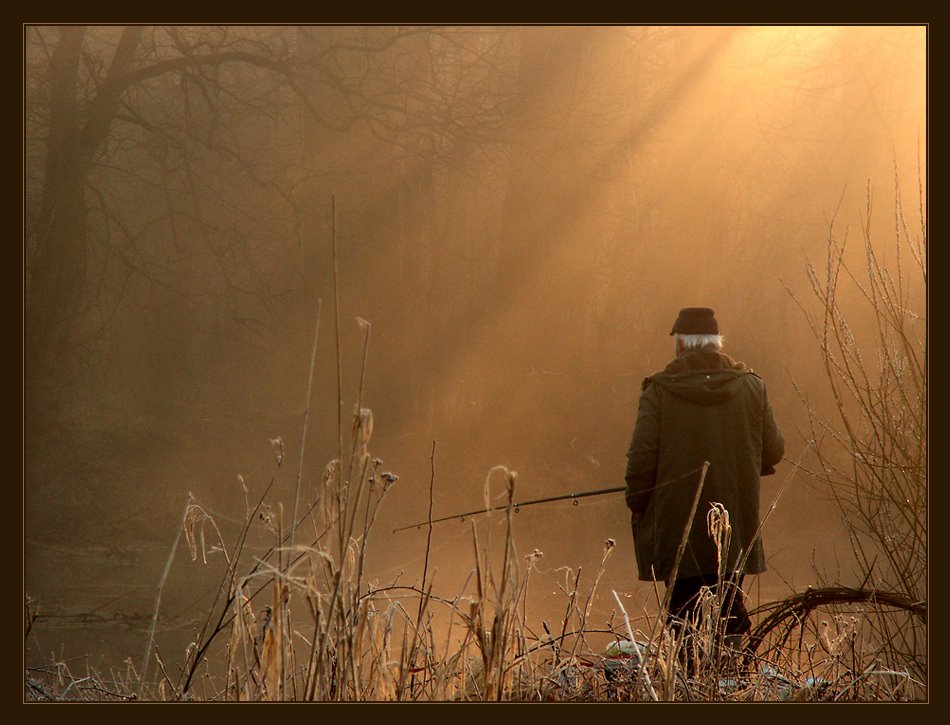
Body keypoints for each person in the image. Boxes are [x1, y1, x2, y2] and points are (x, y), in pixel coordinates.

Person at [624, 307, 784, 646]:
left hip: (677, 528)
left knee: (683, 615)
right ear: (716, 344)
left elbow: (641, 459)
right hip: (733, 526)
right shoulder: (752, 387)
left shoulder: (660, 391)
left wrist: (637, 504)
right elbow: (773, 451)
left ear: (681, 346)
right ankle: (729, 683)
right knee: (728, 606)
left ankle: (688, 687)